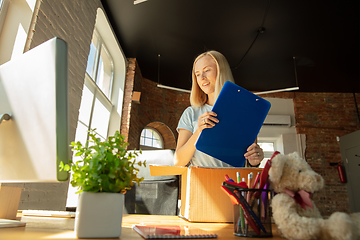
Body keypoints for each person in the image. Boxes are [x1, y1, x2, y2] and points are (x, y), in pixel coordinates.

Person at [174, 50, 264, 167]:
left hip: (232, 183)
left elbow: (248, 161)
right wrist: (199, 131)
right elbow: (178, 162)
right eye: (197, 74)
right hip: (199, 182)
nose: (202, 77)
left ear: (221, 71)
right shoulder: (191, 113)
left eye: (206, 70)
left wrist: (254, 161)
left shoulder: (244, 113)